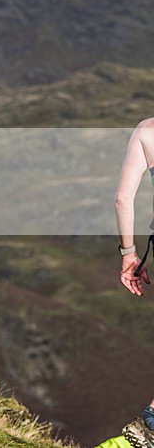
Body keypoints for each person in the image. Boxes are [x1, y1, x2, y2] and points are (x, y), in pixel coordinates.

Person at [115, 118, 154, 447]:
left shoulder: (146, 131)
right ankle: (145, 433)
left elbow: (122, 200)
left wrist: (129, 253)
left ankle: (145, 432)